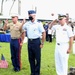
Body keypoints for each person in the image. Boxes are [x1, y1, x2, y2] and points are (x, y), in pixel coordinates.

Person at [22, 10, 46, 75]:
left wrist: (42, 43)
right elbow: (22, 29)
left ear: (34, 15)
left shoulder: (38, 24)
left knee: (37, 58)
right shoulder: (27, 24)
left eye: (31, 15)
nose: (29, 16)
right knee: (31, 58)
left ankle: (37, 73)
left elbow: (43, 33)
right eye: (29, 15)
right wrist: (23, 22)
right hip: (30, 42)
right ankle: (32, 72)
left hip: (36, 42)